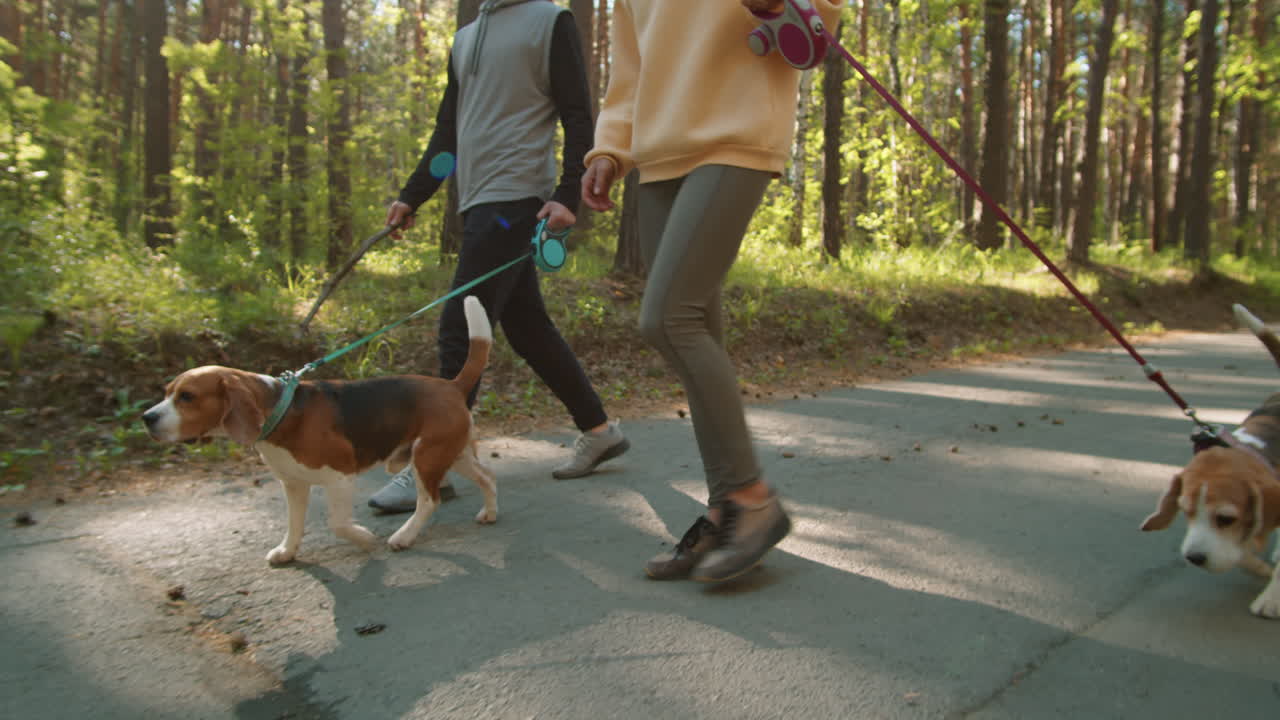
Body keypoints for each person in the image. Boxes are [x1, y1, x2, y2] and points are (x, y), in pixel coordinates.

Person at [581, 0, 844, 582]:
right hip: (657, 157)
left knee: (668, 319)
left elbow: (821, 22)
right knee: (697, 330)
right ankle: (727, 505)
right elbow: (629, 73)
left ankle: (752, 499)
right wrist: (609, 148)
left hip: (736, 132)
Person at [369, 0, 630, 513]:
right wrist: (412, 194)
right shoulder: (466, 37)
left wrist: (567, 193)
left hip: (517, 201)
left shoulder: (548, 21)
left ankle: (432, 465)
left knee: (459, 325)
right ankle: (599, 430)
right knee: (526, 325)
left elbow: (578, 113)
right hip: (480, 200)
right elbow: (449, 134)